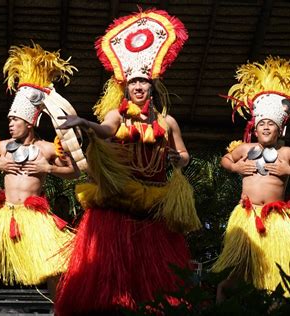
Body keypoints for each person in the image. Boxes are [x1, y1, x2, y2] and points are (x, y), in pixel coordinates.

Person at [55, 9, 201, 315]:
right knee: (111, 280)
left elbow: (184, 155)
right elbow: (107, 130)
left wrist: (177, 159)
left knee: (154, 283)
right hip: (118, 204)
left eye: (143, 83)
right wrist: (84, 122)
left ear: (151, 86)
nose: (138, 87)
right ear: (126, 86)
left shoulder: (167, 122)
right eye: (133, 82)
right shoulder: (117, 116)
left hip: (154, 206)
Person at [0, 43, 84, 316]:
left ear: (29, 122)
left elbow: (74, 170)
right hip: (5, 214)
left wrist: (49, 170)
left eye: (15, 119)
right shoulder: (2, 146)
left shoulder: (48, 148)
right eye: (10, 119)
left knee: (52, 267)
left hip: (36, 216)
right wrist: (0, 163)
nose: (10, 123)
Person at [212, 57, 290, 301]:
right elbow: (225, 160)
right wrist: (237, 167)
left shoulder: (287, 154)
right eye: (262, 124)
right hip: (247, 216)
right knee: (234, 278)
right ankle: (221, 305)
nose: (266, 127)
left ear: (280, 129)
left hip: (278, 219)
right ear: (255, 129)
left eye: (271, 124)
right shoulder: (245, 150)